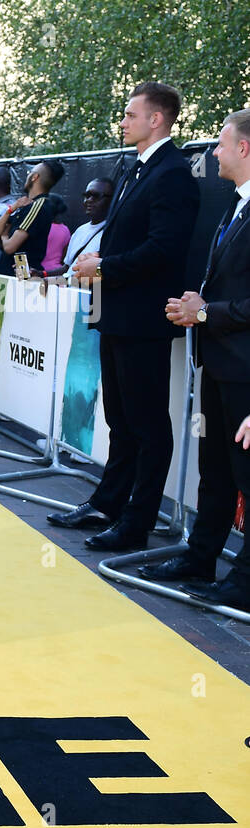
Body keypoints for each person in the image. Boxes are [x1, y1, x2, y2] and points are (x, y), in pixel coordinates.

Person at [57, 82, 200, 551]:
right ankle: (108, 503)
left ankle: (136, 523)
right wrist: (95, 264)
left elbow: (164, 248)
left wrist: (105, 266)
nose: (122, 121)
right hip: (117, 311)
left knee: (147, 422)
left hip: (143, 317)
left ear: (155, 119)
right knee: (120, 416)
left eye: (129, 114)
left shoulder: (173, 173)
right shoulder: (135, 168)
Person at [145, 110, 250, 607]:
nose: (213, 154)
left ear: (245, 148)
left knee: (245, 477)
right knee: (216, 470)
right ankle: (201, 555)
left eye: (222, 144)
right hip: (219, 362)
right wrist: (195, 305)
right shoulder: (236, 205)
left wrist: (207, 312)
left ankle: (244, 582)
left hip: (244, 369)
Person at [0, 160, 63, 276]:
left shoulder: (38, 207)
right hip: (8, 272)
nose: (27, 175)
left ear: (34, 177)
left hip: (18, 275)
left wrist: (4, 236)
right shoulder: (25, 204)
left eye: (29, 172)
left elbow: (9, 247)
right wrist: (10, 210)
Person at [42, 178, 114, 277]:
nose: (89, 200)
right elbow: (67, 268)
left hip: (94, 291)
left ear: (113, 199)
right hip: (71, 290)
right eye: (87, 195)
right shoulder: (80, 231)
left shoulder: (113, 233)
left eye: (96, 196)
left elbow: (101, 275)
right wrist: (42, 274)